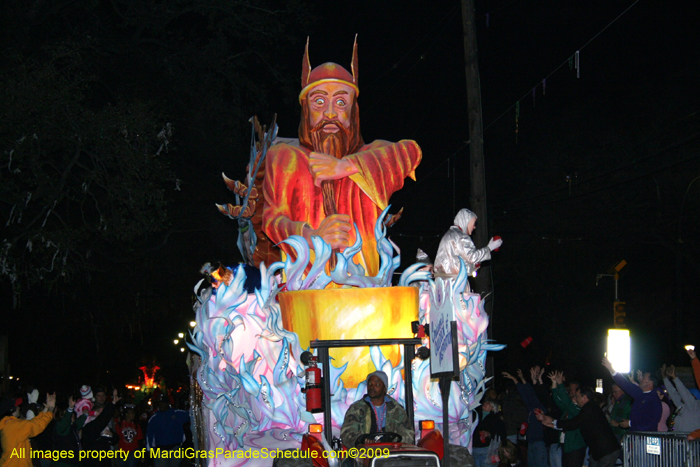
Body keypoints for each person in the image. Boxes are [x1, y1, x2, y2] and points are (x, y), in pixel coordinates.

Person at [262, 38, 423, 277]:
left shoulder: (368, 155)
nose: (329, 113)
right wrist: (313, 236)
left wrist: (344, 166)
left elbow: (411, 152)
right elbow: (272, 219)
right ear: (306, 110)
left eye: (340, 102)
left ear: (353, 112)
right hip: (307, 290)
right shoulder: (285, 157)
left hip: (364, 289)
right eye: (319, 101)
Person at [538, 386, 621, 467]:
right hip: (598, 451)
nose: (575, 398)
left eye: (577, 396)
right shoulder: (589, 407)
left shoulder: (589, 408)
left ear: (584, 397)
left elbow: (574, 423)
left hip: (606, 450)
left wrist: (553, 421)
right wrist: (553, 424)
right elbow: (573, 424)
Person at [340, 371, 414, 448]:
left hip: (391, 454)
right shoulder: (356, 408)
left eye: (377, 384)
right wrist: (361, 439)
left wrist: (390, 441)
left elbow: (408, 433)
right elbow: (346, 432)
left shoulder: (397, 409)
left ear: (384, 388)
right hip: (363, 453)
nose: (372, 387)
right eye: (370, 384)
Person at [433, 209, 502, 291]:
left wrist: (476, 264)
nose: (474, 227)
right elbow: (472, 257)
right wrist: (489, 248)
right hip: (455, 284)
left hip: (440, 284)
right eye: (473, 223)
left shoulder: (449, 234)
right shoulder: (461, 236)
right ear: (466, 221)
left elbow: (460, 263)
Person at [502, 369, 548, 467]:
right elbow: (525, 394)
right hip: (531, 443)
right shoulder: (531, 408)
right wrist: (516, 379)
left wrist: (521, 379)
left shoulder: (541, 408)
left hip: (539, 444)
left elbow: (531, 395)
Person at [0, 392, 55, 467]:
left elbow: (31, 422)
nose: (19, 407)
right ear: (12, 410)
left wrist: (46, 409)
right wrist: (50, 411)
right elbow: (35, 426)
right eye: (17, 406)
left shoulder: (9, 424)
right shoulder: (14, 426)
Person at [548, 371, 586, 467]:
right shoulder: (570, 407)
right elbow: (559, 401)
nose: (571, 391)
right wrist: (554, 383)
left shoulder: (580, 408)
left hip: (575, 447)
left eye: (574, 390)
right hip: (566, 445)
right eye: (570, 389)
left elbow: (566, 401)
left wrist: (560, 383)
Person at [146, 394, 190, 467]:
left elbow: (191, 414)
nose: (161, 405)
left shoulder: (177, 413)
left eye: (163, 403)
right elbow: (149, 434)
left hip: (175, 448)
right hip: (160, 450)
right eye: (159, 403)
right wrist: (149, 449)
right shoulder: (154, 418)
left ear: (167, 404)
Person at [662, 364, 700, 432]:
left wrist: (675, 377)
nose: (683, 397)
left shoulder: (695, 406)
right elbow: (673, 393)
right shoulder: (682, 406)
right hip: (679, 438)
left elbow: (684, 393)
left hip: (691, 440)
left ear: (694, 397)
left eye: (690, 395)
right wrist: (665, 378)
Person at [471, 398, 507, 467]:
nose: (485, 403)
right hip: (474, 448)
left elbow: (502, 434)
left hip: (487, 449)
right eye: (485, 402)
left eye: (488, 403)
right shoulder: (476, 415)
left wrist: (489, 434)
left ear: (493, 408)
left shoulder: (496, 419)